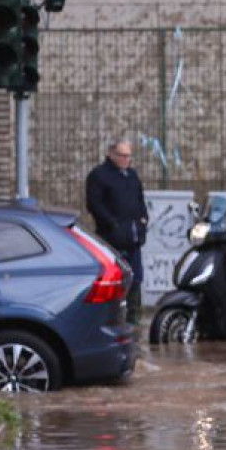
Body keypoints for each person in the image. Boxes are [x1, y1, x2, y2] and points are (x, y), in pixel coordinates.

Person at [85, 138, 148, 323]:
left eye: (128, 156)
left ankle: (133, 314)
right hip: (112, 238)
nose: (125, 160)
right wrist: (112, 224)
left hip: (133, 236)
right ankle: (112, 315)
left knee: (136, 276)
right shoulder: (99, 175)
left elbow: (140, 201)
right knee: (114, 277)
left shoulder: (132, 175)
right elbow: (94, 204)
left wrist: (143, 222)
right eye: (122, 155)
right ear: (111, 154)